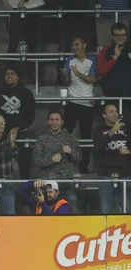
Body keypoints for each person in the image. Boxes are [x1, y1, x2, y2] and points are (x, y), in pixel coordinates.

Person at [0, 63, 36, 179]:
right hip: (1, 135)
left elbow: (30, 116)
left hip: (21, 133)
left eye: (12, 74)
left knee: (24, 167)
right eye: (7, 74)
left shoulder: (26, 93)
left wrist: (18, 127)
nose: (9, 76)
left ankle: (25, 190)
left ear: (18, 76)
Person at [60, 36, 97, 173]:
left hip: (87, 102)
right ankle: (64, 164)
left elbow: (93, 79)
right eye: (72, 45)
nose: (74, 47)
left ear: (84, 45)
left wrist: (78, 73)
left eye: (77, 44)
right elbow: (67, 81)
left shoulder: (91, 60)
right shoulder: (69, 60)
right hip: (72, 101)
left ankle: (84, 167)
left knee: (86, 136)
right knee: (65, 134)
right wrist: (65, 75)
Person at [32, 110, 81, 211]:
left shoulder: (70, 138)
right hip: (48, 187)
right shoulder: (41, 139)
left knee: (73, 214)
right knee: (46, 216)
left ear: (62, 122)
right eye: (52, 120)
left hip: (66, 183)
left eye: (57, 120)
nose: (54, 122)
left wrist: (70, 151)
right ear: (48, 121)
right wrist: (51, 160)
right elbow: (36, 160)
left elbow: (79, 158)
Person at [92, 103, 131, 214]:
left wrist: (128, 151)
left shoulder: (126, 130)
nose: (115, 114)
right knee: (105, 212)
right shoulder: (99, 131)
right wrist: (111, 132)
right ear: (104, 115)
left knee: (127, 211)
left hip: (125, 175)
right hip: (105, 176)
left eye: (116, 111)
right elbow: (97, 150)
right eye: (111, 111)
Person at [98, 22, 131, 119]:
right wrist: (115, 57)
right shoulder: (105, 51)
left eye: (123, 35)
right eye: (117, 35)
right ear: (112, 36)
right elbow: (101, 71)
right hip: (112, 99)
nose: (121, 38)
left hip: (129, 98)